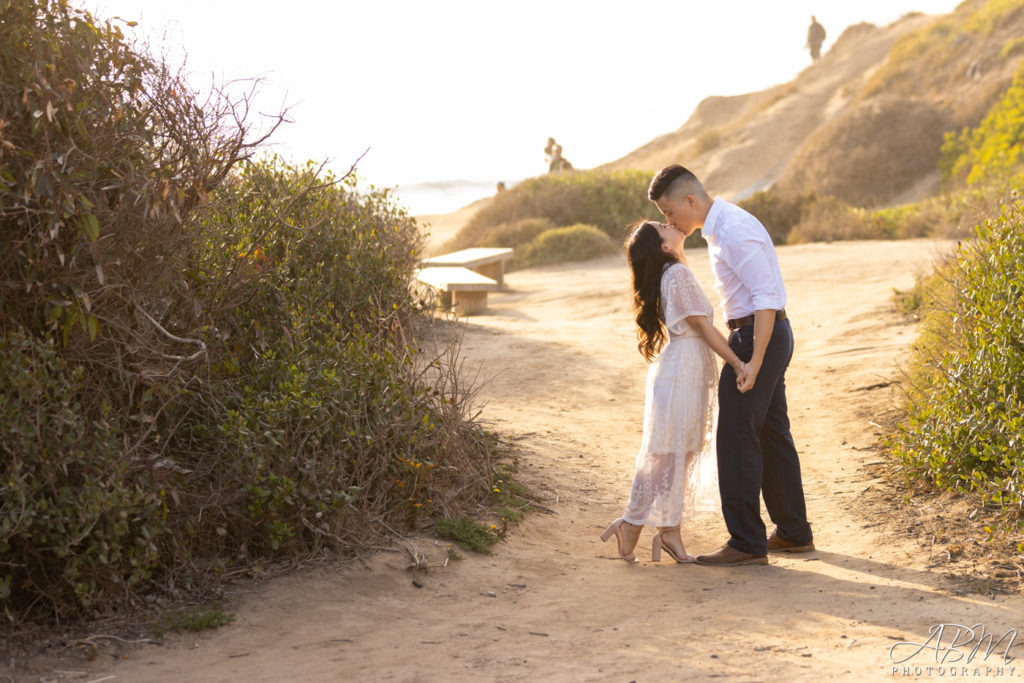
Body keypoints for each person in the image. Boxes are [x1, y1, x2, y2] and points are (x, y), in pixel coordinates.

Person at [648, 164, 814, 567]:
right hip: (760, 335)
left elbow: (765, 297)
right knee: (772, 432)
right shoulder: (719, 230)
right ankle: (793, 532)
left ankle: (746, 541)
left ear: (691, 200)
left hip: (761, 335)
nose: (669, 222)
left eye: (670, 214)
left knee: (737, 437)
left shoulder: (734, 231)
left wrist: (753, 361)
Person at [601, 221, 745, 564]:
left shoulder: (675, 271)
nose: (670, 223)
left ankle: (665, 528)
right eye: (662, 226)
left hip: (686, 369)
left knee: (682, 450)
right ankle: (637, 523)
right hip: (682, 371)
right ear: (663, 247)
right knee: (668, 452)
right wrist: (739, 363)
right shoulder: (676, 275)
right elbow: (703, 327)